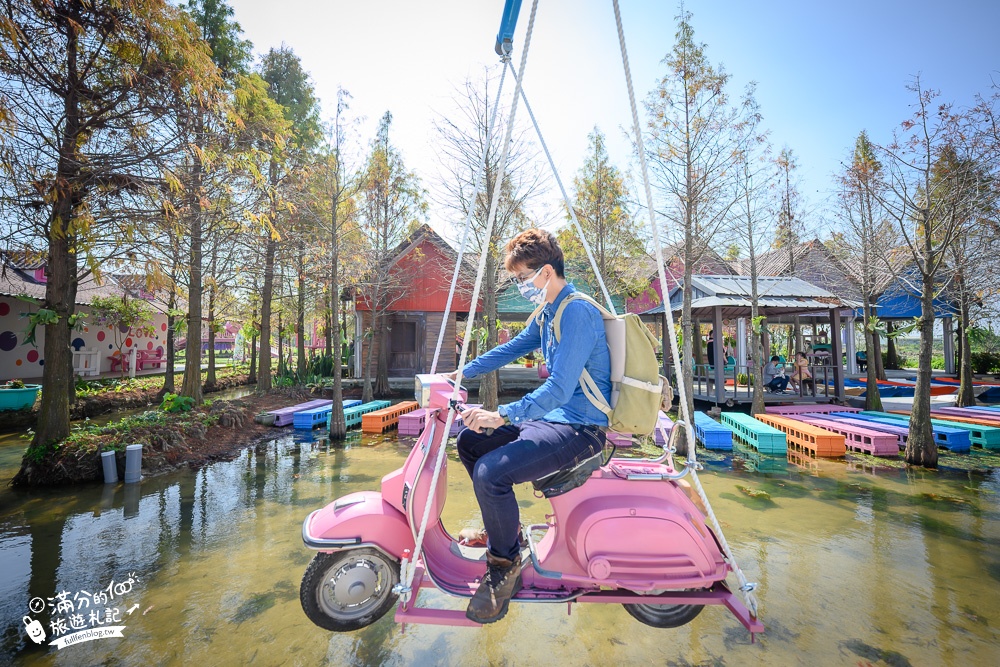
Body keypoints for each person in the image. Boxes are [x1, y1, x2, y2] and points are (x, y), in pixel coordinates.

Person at [448, 228, 611, 624]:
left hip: (581, 429)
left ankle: (504, 566)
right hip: (551, 420)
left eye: (523, 278)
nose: (522, 286)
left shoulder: (576, 312)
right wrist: (458, 374)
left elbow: (558, 389)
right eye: (518, 278)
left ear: (547, 271)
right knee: (470, 442)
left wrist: (500, 414)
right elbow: (511, 348)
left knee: (490, 473)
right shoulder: (549, 311)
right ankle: (510, 533)